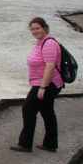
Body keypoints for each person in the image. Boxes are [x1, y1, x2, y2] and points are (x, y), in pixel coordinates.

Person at [10, 17, 63, 153]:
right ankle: (50, 144)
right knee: (47, 112)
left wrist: (42, 87)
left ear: (45, 28)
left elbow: (50, 67)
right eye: (32, 29)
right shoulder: (41, 42)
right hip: (45, 83)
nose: (35, 31)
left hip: (46, 84)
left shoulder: (49, 43)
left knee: (28, 109)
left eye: (37, 28)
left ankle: (25, 144)